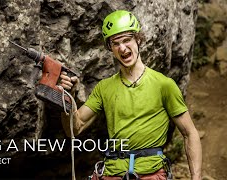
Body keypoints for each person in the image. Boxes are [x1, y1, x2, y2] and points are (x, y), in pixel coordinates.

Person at [60, 10, 202, 180]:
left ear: (138, 39)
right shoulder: (104, 88)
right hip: (112, 173)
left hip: (150, 173)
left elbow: (189, 133)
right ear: (110, 48)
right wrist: (69, 97)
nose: (122, 48)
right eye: (115, 43)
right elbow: (74, 128)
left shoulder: (163, 85)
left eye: (127, 40)